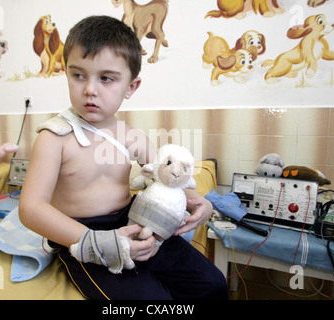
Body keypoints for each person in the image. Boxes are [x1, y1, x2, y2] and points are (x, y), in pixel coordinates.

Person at [19, 15, 227, 300]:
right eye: (78, 75)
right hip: (82, 234)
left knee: (213, 284)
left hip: (135, 222)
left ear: (131, 87)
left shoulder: (131, 136)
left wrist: (199, 201)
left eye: (106, 78)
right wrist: (95, 241)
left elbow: (170, 180)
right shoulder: (54, 138)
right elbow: (31, 208)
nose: (90, 89)